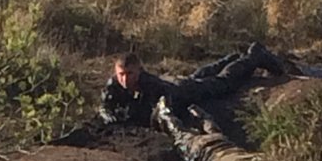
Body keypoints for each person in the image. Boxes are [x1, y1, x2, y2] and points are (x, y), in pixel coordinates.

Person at [99, 43, 285, 127]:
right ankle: (231, 59)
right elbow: (104, 108)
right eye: (121, 74)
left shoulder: (150, 84)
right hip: (179, 83)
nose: (124, 79)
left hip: (183, 92)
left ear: (139, 70)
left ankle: (254, 56)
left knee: (224, 83)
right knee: (199, 76)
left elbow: (158, 111)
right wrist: (110, 117)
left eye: (129, 74)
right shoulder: (113, 85)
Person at [154, 97, 256, 161]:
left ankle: (196, 114)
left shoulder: (252, 160)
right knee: (180, 135)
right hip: (201, 148)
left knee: (202, 132)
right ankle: (164, 114)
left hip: (220, 142)